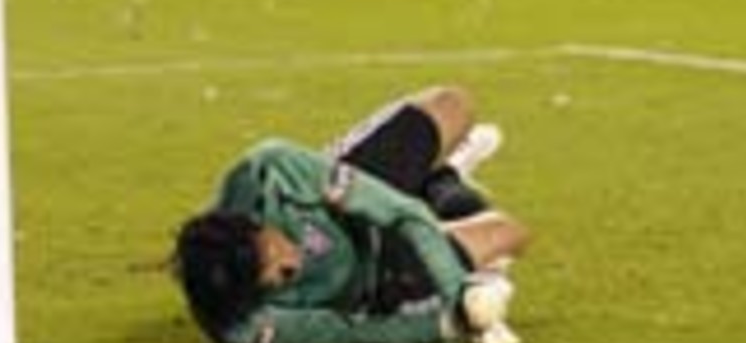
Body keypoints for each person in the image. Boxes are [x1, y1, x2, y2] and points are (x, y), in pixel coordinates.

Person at [171, 86, 531, 343]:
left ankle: (440, 177)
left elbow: (400, 213)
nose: (293, 260)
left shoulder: (270, 170)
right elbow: (352, 334)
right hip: (374, 281)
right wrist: (452, 323)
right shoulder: (248, 329)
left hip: (349, 205)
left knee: (454, 104)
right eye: (280, 276)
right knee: (509, 234)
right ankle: (445, 184)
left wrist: (458, 290)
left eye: (276, 248)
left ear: (252, 224)